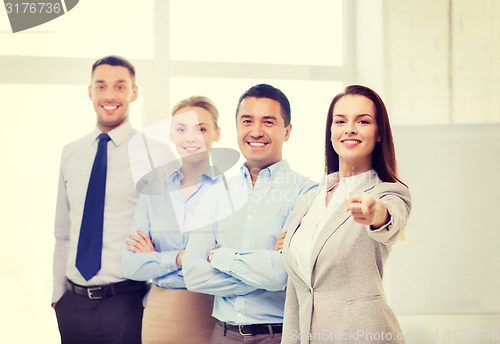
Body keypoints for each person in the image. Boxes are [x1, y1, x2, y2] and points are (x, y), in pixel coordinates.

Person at [182, 84, 317, 344]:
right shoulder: (214, 192)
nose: (256, 131)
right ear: (236, 128)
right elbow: (193, 274)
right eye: (247, 121)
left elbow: (281, 274)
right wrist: (264, 272)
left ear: (287, 131)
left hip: (278, 337)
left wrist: (217, 255)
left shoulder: (307, 193)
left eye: (268, 122)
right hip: (222, 336)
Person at [281, 85, 412, 344]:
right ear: (331, 132)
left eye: (362, 121)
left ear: (378, 134)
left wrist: (376, 213)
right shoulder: (308, 202)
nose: (350, 128)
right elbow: (297, 295)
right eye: (340, 121)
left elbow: (391, 219)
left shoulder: (388, 193)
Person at [52, 55, 146, 344]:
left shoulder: (151, 154)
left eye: (120, 86)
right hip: (73, 303)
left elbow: (166, 235)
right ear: (90, 91)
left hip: (126, 302)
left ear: (133, 92)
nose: (109, 95)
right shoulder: (71, 152)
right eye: (101, 86)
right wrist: (58, 295)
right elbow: (62, 231)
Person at [121, 96, 223, 343]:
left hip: (211, 309)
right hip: (159, 311)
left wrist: (156, 257)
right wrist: (180, 257)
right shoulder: (153, 191)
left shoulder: (230, 191)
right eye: (181, 129)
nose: (191, 137)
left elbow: (229, 262)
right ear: (171, 134)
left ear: (216, 133)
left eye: (201, 128)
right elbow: (131, 265)